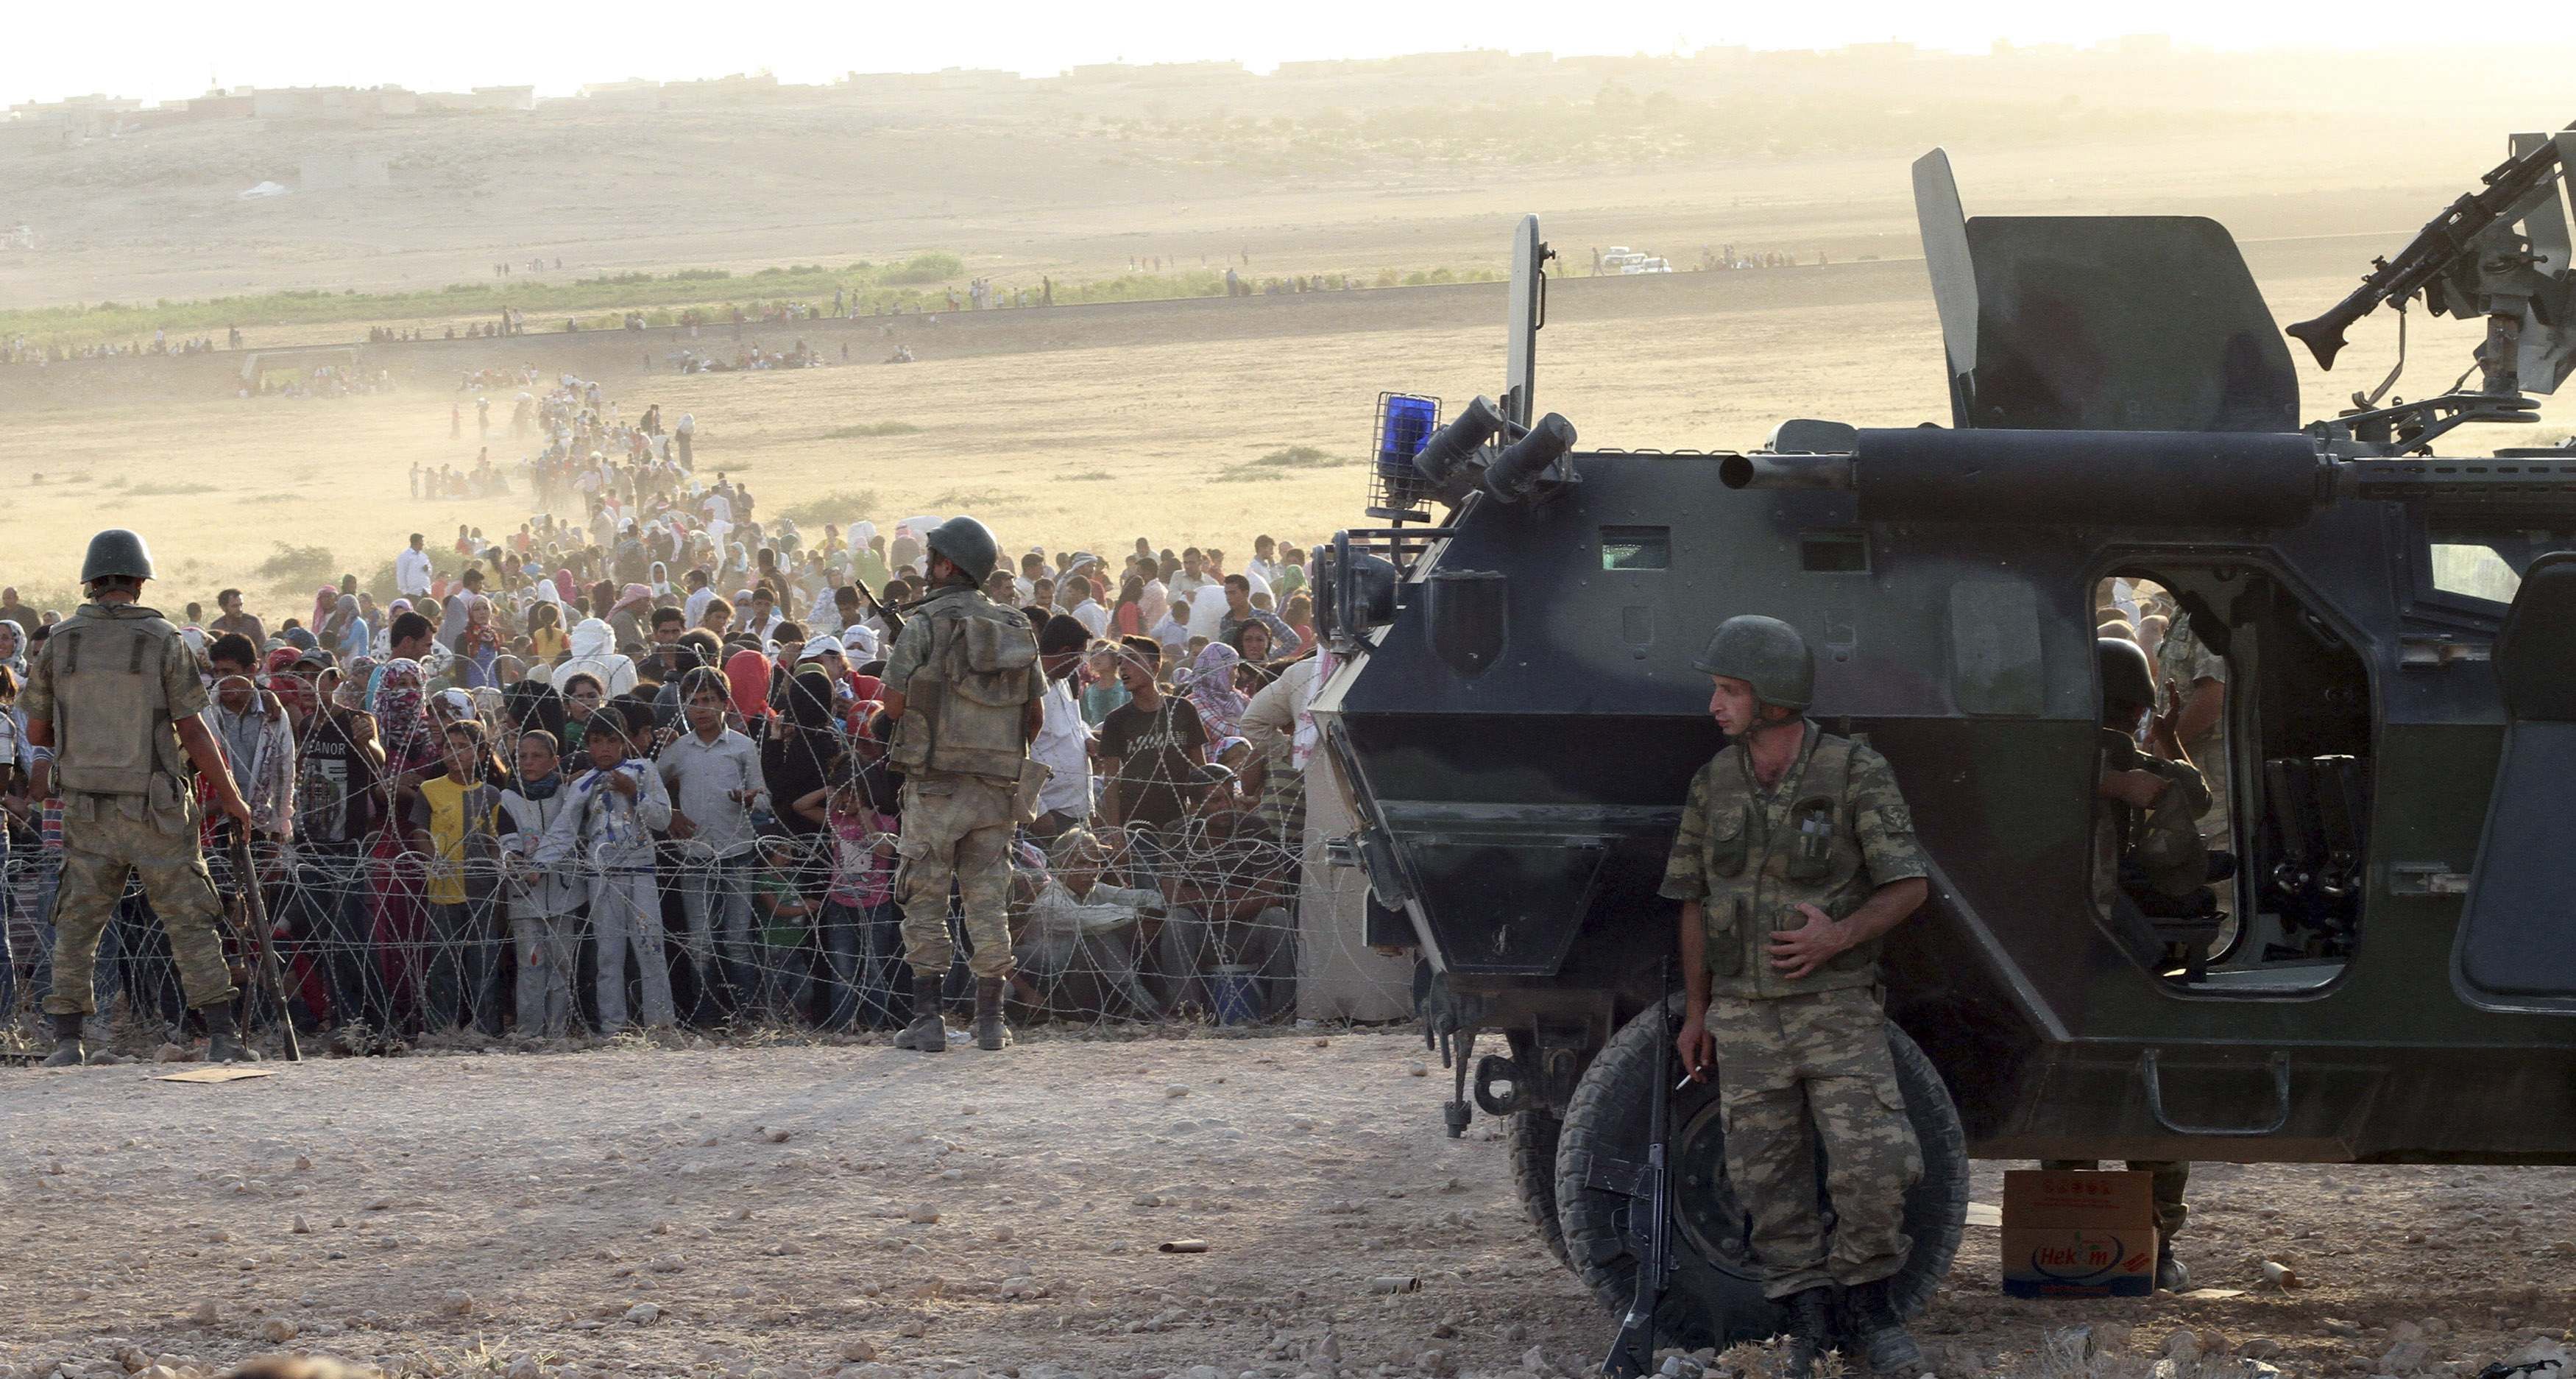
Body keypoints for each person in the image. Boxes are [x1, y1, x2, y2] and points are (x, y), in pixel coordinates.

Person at [1661, 615, 1928, 1375]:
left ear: (1773, 699)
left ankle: (1869, 1314)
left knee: (1873, 1163)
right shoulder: (1710, 784)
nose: (1715, 705)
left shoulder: (1851, 772)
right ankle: (1806, 1322)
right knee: (1763, 1176)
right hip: (1743, 1015)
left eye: (1729, 690)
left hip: (1835, 1010)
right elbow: (1691, 897)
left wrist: (1835, 937)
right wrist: (1697, 1008)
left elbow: (1907, 884)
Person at [26, 530, 260, 1066]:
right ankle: (222, 1034)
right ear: (138, 580)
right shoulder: (162, 637)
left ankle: (67, 1040)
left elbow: (37, 731)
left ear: (91, 580)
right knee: (189, 918)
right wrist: (231, 797)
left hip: (86, 807)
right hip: (155, 806)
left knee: (78, 921)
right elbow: (194, 730)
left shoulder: (61, 641)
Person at [2042, 638, 2201, 1293]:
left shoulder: (2075, 751)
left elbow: (2193, 792)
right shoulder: (2101, 756)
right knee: (2146, 1091)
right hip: (2104, 943)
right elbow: (2196, 795)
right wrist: (2149, 751)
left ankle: (2086, 1245)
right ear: (2135, 707)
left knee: (2074, 1096)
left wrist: (2149, 747)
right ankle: (2157, 1244)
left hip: (2063, 950)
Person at [878, 515, 1046, 1054]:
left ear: (948, 564)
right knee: (988, 900)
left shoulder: (923, 625)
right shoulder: (1014, 627)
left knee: (925, 900)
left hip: (935, 787)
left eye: (932, 559)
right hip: (996, 788)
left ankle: (928, 1020)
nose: (927, 569)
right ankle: (991, 1021)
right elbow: (1035, 718)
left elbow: (893, 704)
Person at [534, 701, 675, 1034]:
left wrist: (634, 792)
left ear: (624, 741)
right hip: (603, 876)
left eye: (611, 740)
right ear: (587, 745)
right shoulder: (583, 785)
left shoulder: (643, 771)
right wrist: (539, 863)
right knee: (608, 954)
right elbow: (564, 829)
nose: (604, 748)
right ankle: (613, 1026)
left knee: (650, 947)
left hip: (641, 872)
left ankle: (661, 1024)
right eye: (596, 741)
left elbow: (662, 818)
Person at [660, 666, 764, 1009]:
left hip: (737, 852)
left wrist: (750, 798)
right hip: (696, 854)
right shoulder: (679, 751)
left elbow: (765, 797)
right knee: (701, 939)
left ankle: (745, 1013)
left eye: (708, 701)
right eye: (693, 702)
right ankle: (704, 1015)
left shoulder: (742, 747)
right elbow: (652, 787)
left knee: (736, 939)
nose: (701, 710)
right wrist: (670, 814)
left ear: (725, 704)